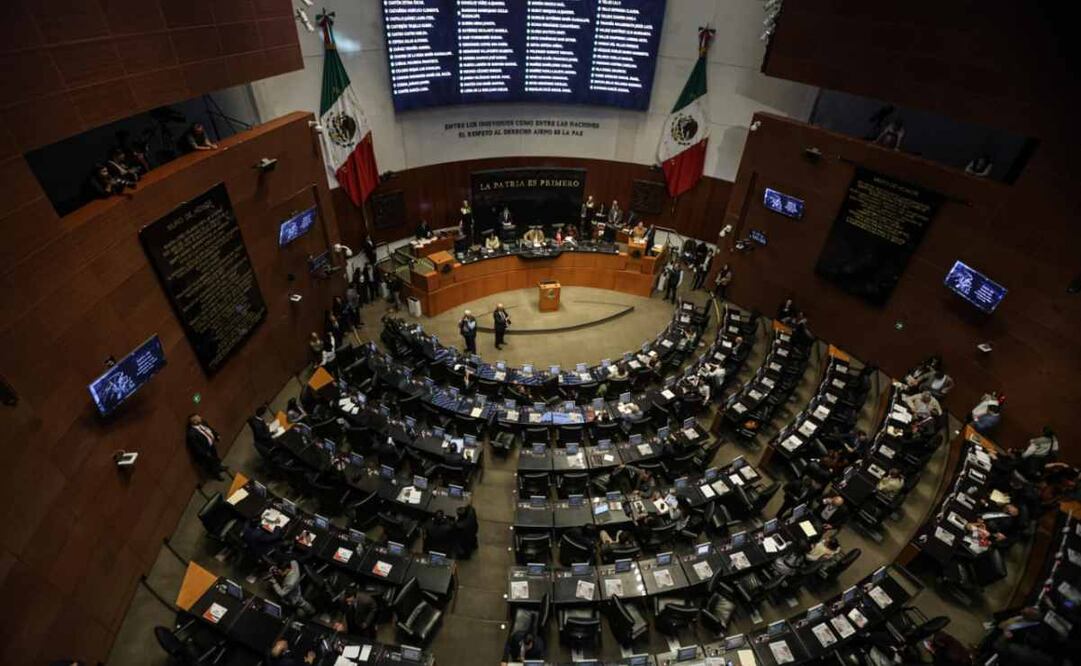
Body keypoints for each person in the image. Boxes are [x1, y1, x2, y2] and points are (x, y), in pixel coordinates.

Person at [186, 414, 226, 479]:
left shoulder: (203, 423)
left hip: (211, 445)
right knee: (211, 463)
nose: (200, 418)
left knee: (216, 457)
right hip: (206, 450)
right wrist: (205, 453)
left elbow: (210, 429)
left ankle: (219, 467)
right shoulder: (191, 433)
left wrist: (216, 435)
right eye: (198, 418)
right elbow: (196, 446)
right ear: (194, 421)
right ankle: (216, 475)